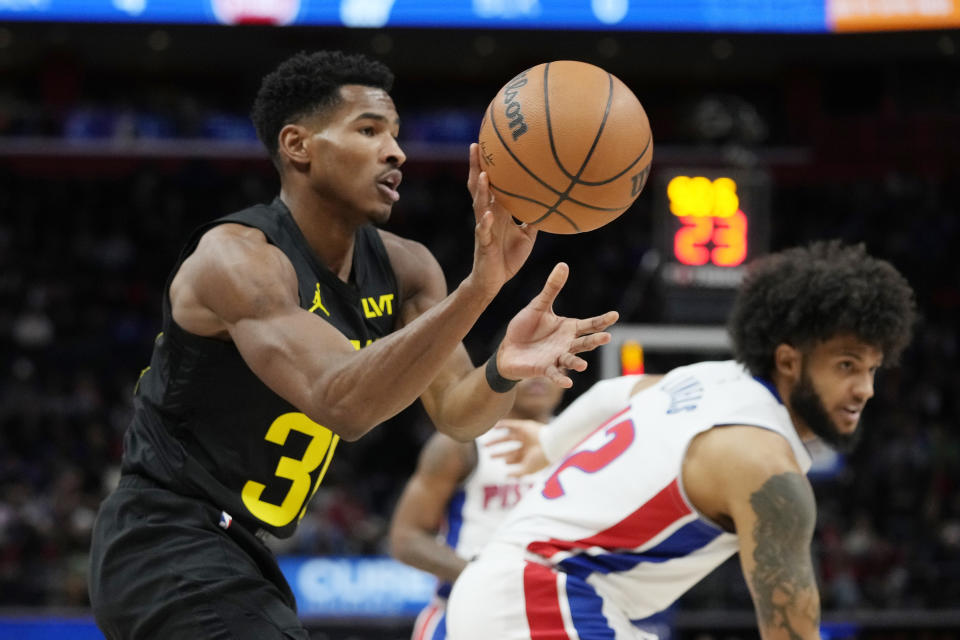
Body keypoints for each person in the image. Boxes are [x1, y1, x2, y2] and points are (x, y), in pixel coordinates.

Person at [87, 50, 618, 640]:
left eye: (396, 134)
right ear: (298, 146)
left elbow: (460, 415)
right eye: (369, 130)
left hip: (240, 548)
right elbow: (342, 404)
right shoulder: (237, 259)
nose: (396, 152)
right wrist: (477, 291)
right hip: (162, 538)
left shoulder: (407, 268)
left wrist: (500, 370)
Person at [446, 241, 916, 640]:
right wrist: (547, 446)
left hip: (509, 589)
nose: (865, 389)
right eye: (847, 366)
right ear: (790, 361)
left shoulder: (707, 379)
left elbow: (613, 393)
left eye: (873, 369)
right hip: (541, 599)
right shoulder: (768, 467)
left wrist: (549, 445)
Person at [389, 375, 566, 640]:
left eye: (552, 367)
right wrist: (483, 577)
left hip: (551, 617)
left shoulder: (581, 444)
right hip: (465, 616)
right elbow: (406, 539)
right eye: (531, 368)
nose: (539, 377)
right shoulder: (462, 442)